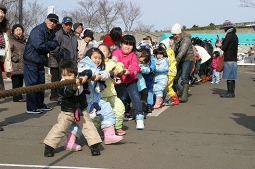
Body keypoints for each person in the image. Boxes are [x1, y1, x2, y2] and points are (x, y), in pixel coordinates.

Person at [43, 60, 102, 157]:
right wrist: (73, 87)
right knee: (60, 128)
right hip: (67, 112)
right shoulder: (62, 84)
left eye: (69, 75)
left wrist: (85, 77)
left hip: (81, 110)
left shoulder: (80, 78)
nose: (66, 78)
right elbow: (65, 93)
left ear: (75, 74)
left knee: (88, 126)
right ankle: (49, 146)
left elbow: (89, 72)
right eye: (64, 75)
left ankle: (94, 146)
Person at [67, 48, 123, 146]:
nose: (98, 60)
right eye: (95, 58)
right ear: (89, 57)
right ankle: (70, 141)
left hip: (96, 100)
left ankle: (109, 135)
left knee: (107, 110)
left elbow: (105, 73)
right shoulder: (82, 65)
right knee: (81, 122)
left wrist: (100, 75)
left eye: (100, 58)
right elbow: (85, 72)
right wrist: (93, 74)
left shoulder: (99, 69)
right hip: (84, 101)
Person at [23, 13, 59, 114]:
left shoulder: (51, 32)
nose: (52, 23)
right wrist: (48, 45)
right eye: (51, 21)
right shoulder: (38, 30)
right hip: (31, 61)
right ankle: (31, 107)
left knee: (41, 84)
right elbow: (38, 45)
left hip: (40, 61)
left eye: (55, 22)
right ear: (45, 19)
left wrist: (46, 44)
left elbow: (55, 44)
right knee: (32, 85)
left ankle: (39, 105)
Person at [113, 35, 145, 130]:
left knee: (135, 95)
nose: (127, 46)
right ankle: (117, 116)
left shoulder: (133, 55)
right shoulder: (116, 53)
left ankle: (139, 117)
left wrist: (129, 72)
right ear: (121, 44)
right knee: (121, 97)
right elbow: (113, 63)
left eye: (130, 45)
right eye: (125, 44)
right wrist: (117, 70)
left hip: (130, 79)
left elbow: (135, 66)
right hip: (119, 81)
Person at [48, 16, 78, 103]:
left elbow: (75, 48)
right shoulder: (58, 35)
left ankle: (68, 97)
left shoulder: (73, 35)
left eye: (70, 24)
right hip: (62, 62)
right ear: (62, 25)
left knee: (70, 80)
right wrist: (61, 59)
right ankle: (59, 98)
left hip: (72, 62)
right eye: (66, 24)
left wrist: (76, 56)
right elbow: (53, 49)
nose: (68, 26)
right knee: (61, 80)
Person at [98, 44, 126, 136]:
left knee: (119, 109)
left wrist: (117, 70)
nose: (101, 53)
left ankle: (117, 126)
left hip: (111, 93)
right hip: (99, 96)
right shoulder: (95, 63)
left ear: (109, 54)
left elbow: (120, 65)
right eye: (99, 51)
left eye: (104, 51)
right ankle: (94, 131)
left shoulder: (111, 62)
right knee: (97, 115)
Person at [171, 23, 194, 102]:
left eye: (176, 34)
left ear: (179, 33)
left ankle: (184, 95)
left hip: (188, 58)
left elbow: (182, 51)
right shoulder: (175, 40)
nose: (174, 36)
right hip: (180, 59)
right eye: (173, 34)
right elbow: (172, 49)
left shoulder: (186, 39)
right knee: (175, 76)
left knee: (184, 77)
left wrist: (176, 59)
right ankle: (176, 93)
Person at [0, 3, 12, 131]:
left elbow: (5, 51)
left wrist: (7, 68)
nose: (1, 14)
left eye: (3, 12)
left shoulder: (3, 30)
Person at [220, 20, 238, 98]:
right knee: (232, 77)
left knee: (229, 76)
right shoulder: (235, 35)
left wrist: (221, 44)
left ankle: (229, 93)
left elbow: (224, 47)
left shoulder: (228, 35)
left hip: (229, 58)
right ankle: (232, 92)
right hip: (234, 58)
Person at [9, 24, 26, 102]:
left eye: (20, 30)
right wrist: (15, 58)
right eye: (17, 30)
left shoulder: (23, 41)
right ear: (13, 32)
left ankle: (19, 96)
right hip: (15, 64)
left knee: (20, 82)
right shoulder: (11, 40)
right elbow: (8, 51)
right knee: (16, 82)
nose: (19, 32)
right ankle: (16, 97)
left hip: (22, 65)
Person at [165, 36, 179, 105]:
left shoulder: (169, 52)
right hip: (171, 72)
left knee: (167, 86)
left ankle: (173, 99)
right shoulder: (170, 51)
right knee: (169, 86)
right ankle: (174, 99)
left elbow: (168, 62)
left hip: (170, 71)